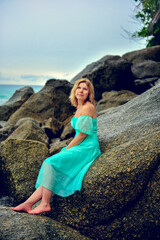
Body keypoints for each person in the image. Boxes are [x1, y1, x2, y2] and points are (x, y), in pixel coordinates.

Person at [11, 78, 101, 215]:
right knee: (51, 169)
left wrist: (67, 148)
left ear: (89, 93)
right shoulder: (79, 107)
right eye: (79, 88)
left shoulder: (88, 107)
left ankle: (45, 204)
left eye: (85, 89)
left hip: (88, 147)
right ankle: (28, 203)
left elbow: (82, 135)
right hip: (82, 145)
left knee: (50, 163)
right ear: (75, 90)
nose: (81, 91)